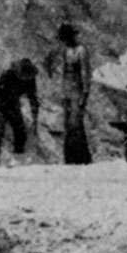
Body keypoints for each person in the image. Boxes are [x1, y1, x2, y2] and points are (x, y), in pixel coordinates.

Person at [0, 58, 40, 166]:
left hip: (13, 103)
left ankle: (18, 157)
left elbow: (32, 97)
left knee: (20, 129)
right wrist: (3, 112)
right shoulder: (8, 74)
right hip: (0, 101)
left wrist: (35, 114)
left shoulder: (30, 79)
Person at [57, 23, 92, 165]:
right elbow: (64, 71)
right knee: (67, 124)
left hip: (78, 89)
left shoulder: (81, 50)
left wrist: (85, 93)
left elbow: (85, 72)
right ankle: (69, 158)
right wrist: (63, 91)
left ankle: (82, 158)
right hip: (67, 89)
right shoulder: (66, 50)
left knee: (76, 123)